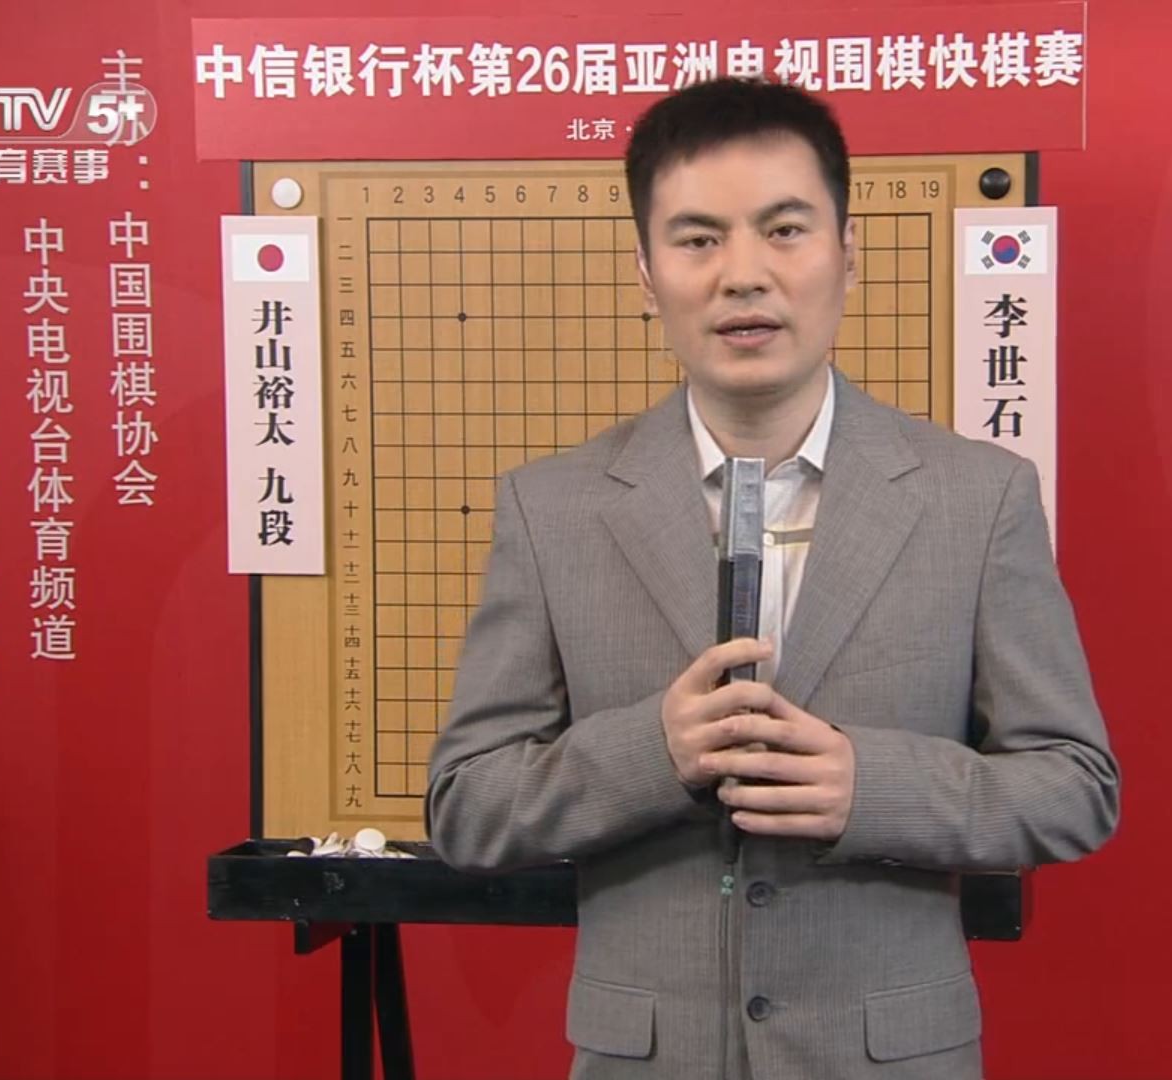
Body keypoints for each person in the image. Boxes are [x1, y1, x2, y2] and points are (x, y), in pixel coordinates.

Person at [424, 76, 1121, 1080]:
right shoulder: (553, 508)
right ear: (646, 273)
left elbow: (1073, 787)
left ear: (848, 254)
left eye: (785, 231)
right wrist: (653, 753)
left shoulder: (978, 498)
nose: (743, 275)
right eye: (698, 240)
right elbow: (467, 805)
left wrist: (869, 787)